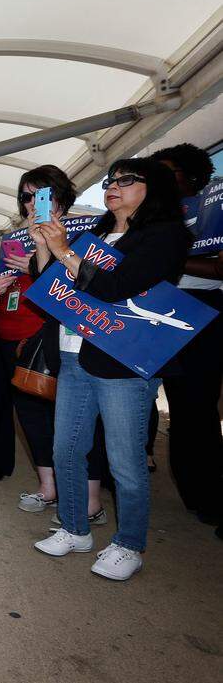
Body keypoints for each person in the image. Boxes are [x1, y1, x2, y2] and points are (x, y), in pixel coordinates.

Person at [32, 158, 191, 581]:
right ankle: (74, 527)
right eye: (110, 180)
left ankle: (129, 544)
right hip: (73, 353)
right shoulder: (95, 234)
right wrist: (46, 244)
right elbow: (52, 284)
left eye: (125, 180)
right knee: (65, 448)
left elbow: (117, 285)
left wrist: (65, 250)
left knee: (124, 461)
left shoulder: (166, 235)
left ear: (152, 188)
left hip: (122, 361)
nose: (113, 186)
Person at [0, 166, 78, 510]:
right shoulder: (15, 237)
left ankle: (79, 494)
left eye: (38, 195)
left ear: (59, 194)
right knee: (29, 413)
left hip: (51, 335)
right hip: (9, 332)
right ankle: (47, 485)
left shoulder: (81, 230)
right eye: (24, 196)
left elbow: (80, 285)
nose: (29, 203)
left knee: (66, 418)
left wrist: (34, 265)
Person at [149, 143, 222, 527]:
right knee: (177, 405)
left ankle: (211, 496)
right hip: (157, 312)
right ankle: (193, 490)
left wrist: (166, 256)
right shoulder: (152, 217)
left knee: (198, 407)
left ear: (191, 178)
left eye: (167, 172)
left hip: (203, 315)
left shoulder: (215, 211)